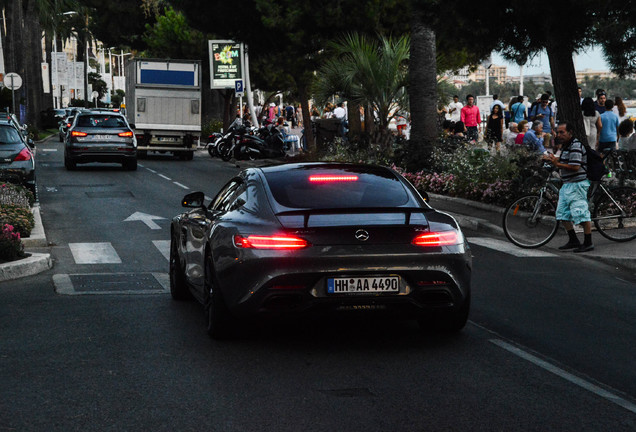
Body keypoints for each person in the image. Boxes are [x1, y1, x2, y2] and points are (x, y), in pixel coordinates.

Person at [542, 122, 593, 253]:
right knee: (562, 214)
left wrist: (557, 164)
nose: (559, 135)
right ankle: (573, 240)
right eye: (558, 132)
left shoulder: (575, 145)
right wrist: (552, 159)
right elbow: (565, 160)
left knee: (581, 213)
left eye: (562, 132)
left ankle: (588, 242)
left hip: (577, 184)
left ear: (570, 133)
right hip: (567, 184)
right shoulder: (566, 146)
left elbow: (575, 166)